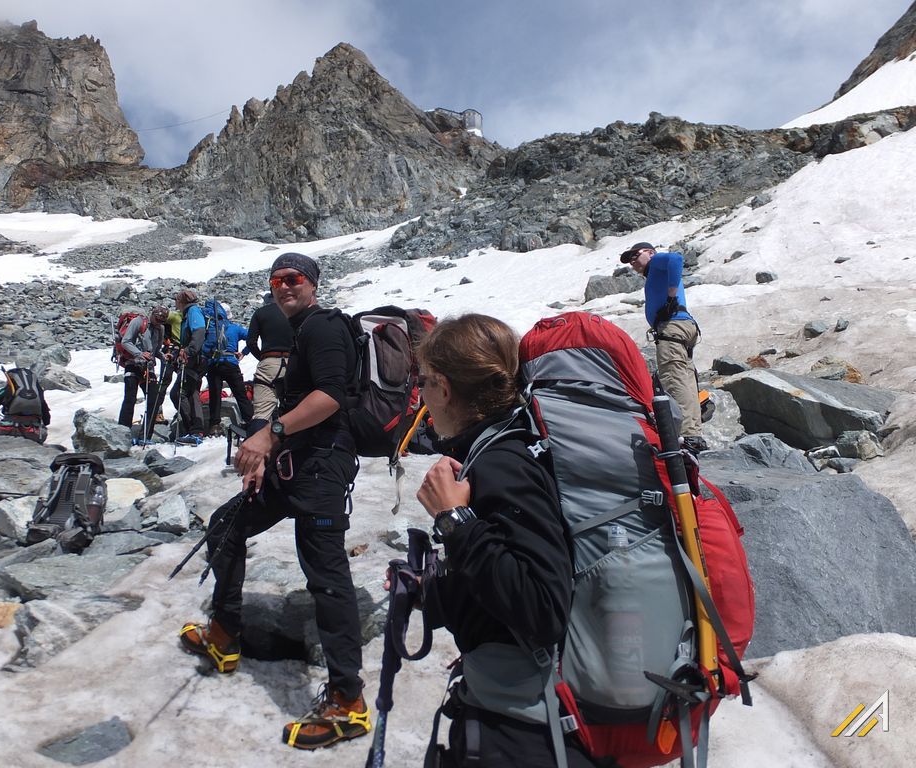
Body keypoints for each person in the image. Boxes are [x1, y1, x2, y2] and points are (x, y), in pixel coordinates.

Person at [179, 253, 368, 751]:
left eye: (294, 279)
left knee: (326, 578)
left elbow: (330, 397)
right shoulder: (301, 329)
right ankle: (224, 633)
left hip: (322, 469)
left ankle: (348, 700)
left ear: (312, 284)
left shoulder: (323, 327)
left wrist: (270, 435)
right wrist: (272, 448)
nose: (284, 286)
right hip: (297, 464)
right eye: (277, 279)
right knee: (225, 526)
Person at [412, 313, 589, 768]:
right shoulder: (504, 444)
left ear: (446, 388)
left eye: (425, 382)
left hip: (524, 728)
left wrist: (455, 521)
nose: (421, 395)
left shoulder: (503, 462)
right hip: (518, 704)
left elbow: (541, 606)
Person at [619, 241, 707, 453]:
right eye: (629, 259)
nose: (632, 262)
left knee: (674, 377)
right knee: (683, 377)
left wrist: (670, 294)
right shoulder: (654, 272)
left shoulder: (656, 263)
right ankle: (693, 432)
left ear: (649, 253)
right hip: (680, 327)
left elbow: (676, 258)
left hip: (672, 328)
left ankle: (687, 436)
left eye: (634, 255)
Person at [245, 292, 294, 435]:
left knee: (261, 414)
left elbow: (251, 342)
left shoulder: (260, 313)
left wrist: (262, 358)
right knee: (294, 409)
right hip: (292, 363)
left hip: (269, 362)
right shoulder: (293, 312)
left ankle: (257, 451)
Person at [117, 306, 167, 442]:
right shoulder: (139, 322)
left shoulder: (160, 329)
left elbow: (156, 350)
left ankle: (145, 436)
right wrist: (139, 353)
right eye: (157, 319)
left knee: (154, 400)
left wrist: (163, 356)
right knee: (130, 399)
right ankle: (123, 434)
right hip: (132, 364)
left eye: (162, 321)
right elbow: (125, 341)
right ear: (152, 315)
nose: (158, 323)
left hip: (148, 368)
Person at [205, 314, 253, 436]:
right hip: (231, 363)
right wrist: (244, 352)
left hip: (213, 364)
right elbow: (252, 337)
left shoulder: (209, 328)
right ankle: (250, 422)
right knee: (240, 394)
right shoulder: (234, 328)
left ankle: (214, 425)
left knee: (215, 396)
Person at [0, 367, 51, 443]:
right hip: (34, 433)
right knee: (43, 431)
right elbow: (47, 421)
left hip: (7, 429)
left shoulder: (7, 390)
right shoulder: (37, 393)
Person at [173, 291, 208, 445]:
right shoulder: (191, 313)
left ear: (182, 301)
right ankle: (196, 430)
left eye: (177, 300)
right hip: (198, 359)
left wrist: (189, 350)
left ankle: (193, 430)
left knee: (178, 393)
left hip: (195, 359)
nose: (175, 303)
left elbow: (199, 332)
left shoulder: (193, 312)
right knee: (192, 393)